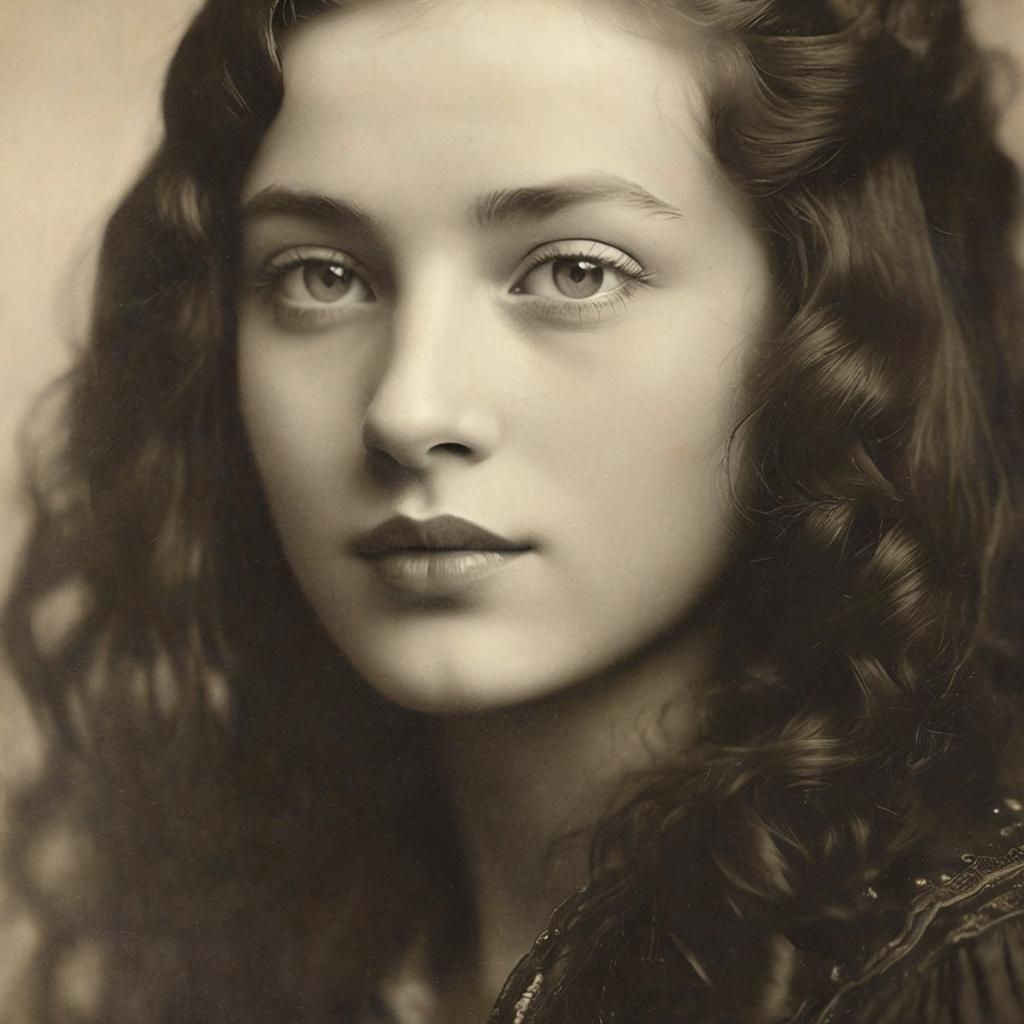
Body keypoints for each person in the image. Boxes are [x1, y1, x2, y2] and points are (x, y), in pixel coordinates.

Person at [4, 0, 1024, 1021]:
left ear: (820, 325)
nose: (408, 410)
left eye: (574, 270)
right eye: (322, 276)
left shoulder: (961, 977)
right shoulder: (267, 960)